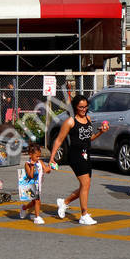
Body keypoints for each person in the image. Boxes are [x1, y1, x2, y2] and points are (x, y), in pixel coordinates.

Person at [49, 94, 107, 225]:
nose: (84, 109)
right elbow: (58, 140)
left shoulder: (88, 118)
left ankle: (64, 202)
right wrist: (52, 158)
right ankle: (84, 215)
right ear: (75, 107)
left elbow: (88, 138)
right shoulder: (70, 121)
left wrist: (101, 132)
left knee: (84, 186)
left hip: (87, 154)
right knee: (85, 185)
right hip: (75, 156)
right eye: (81, 107)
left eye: (86, 107)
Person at [18, 144, 52, 224]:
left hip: (39, 185)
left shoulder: (40, 161)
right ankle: (37, 217)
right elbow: (30, 175)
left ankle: (24, 207)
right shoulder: (27, 164)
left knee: (34, 202)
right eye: (36, 156)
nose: (38, 158)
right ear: (30, 154)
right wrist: (32, 166)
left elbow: (46, 169)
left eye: (39, 156)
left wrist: (49, 169)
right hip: (31, 185)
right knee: (37, 201)